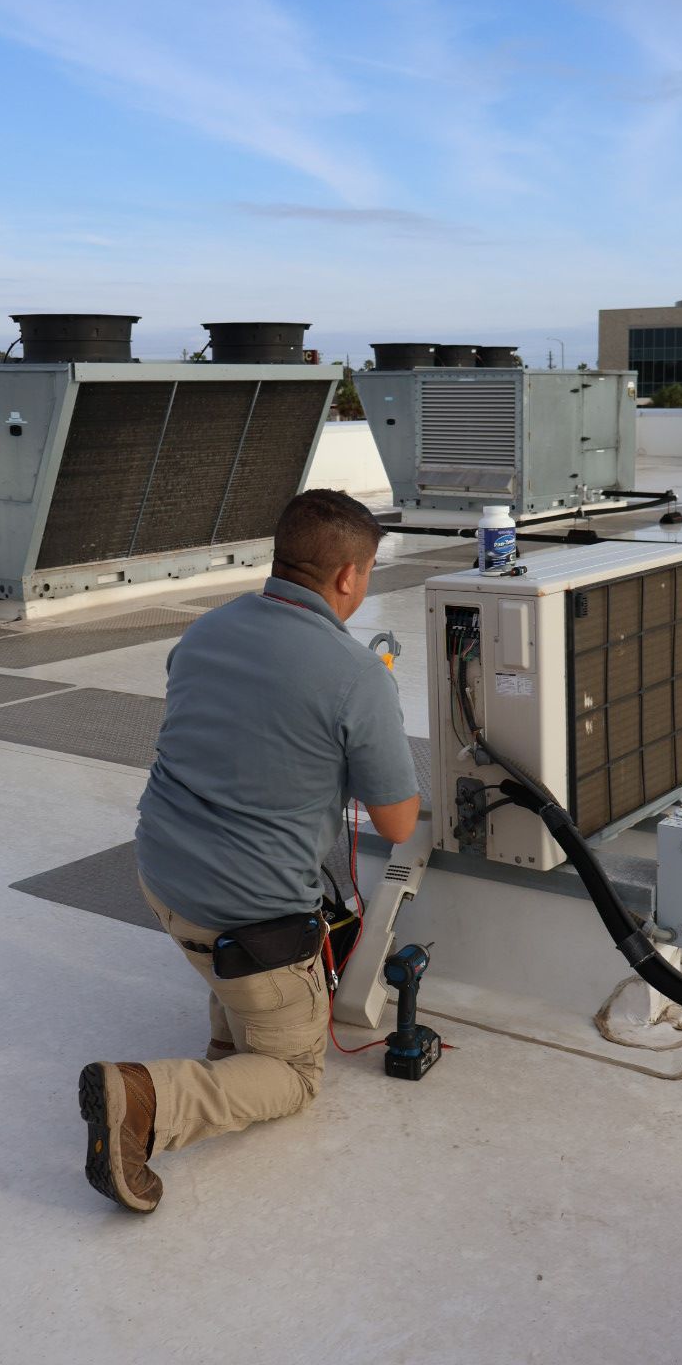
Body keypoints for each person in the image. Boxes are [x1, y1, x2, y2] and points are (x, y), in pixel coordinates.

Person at [78, 489, 420, 1213]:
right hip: (251, 919)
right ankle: (145, 1100)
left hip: (162, 876)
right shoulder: (356, 675)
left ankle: (231, 1046)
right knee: (295, 1074)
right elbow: (396, 823)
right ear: (348, 578)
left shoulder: (204, 633)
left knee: (232, 958)